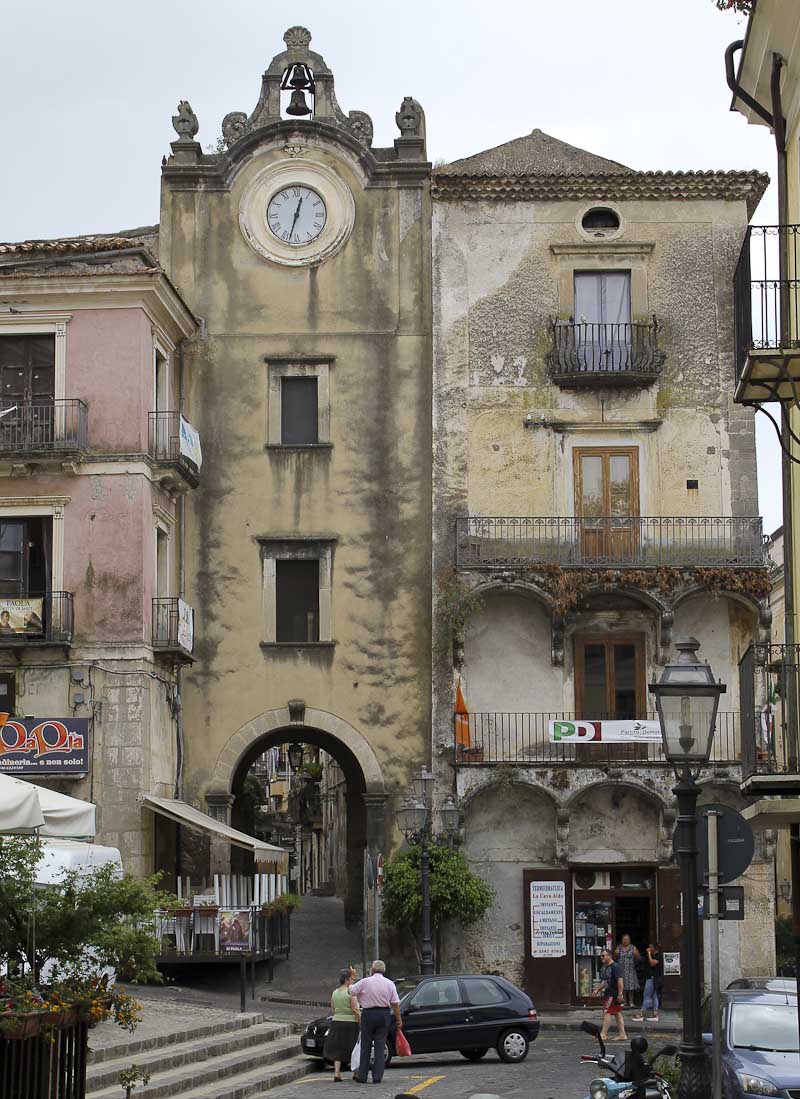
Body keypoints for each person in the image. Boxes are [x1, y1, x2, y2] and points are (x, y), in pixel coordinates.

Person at [348, 959, 402, 1084]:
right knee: (379, 1045)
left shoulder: (365, 982)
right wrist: (399, 1020)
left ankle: (362, 1076)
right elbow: (395, 1003)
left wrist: (352, 980)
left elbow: (352, 991)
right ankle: (377, 1076)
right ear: (384, 970)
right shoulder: (389, 983)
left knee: (365, 1045)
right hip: (383, 1014)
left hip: (368, 1014)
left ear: (372, 970)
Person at [323, 969, 360, 1081]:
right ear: (347, 980)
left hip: (336, 1022)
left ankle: (337, 1073)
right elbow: (355, 1009)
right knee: (353, 1048)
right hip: (350, 1023)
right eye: (351, 979)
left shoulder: (334, 992)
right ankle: (355, 1073)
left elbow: (333, 1009)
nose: (353, 981)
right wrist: (360, 1019)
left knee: (337, 1048)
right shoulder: (351, 992)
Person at [599, 947, 628, 1042]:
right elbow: (605, 981)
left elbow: (620, 981)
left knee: (606, 1012)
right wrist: (598, 989)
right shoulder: (606, 967)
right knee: (617, 1013)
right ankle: (622, 1034)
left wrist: (620, 994)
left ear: (609, 956)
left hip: (613, 994)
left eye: (603, 955)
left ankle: (603, 1034)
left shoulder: (615, 967)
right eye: (601, 956)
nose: (601, 957)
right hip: (610, 993)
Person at [632, 942, 662, 1022]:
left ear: (654, 948)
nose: (648, 949)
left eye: (650, 947)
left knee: (646, 996)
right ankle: (655, 1014)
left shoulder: (658, 956)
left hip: (653, 978)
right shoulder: (650, 956)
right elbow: (642, 960)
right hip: (651, 977)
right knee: (654, 996)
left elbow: (652, 963)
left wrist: (648, 954)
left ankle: (641, 1014)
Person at [615, 933, 640, 1008]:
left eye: (627, 939)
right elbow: (614, 958)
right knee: (623, 987)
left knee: (631, 987)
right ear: (622, 940)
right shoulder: (619, 947)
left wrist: (636, 955)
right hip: (621, 970)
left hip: (630, 970)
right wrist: (616, 953)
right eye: (624, 939)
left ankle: (631, 1002)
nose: (625, 941)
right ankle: (624, 1001)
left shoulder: (633, 947)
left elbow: (639, 958)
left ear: (630, 940)